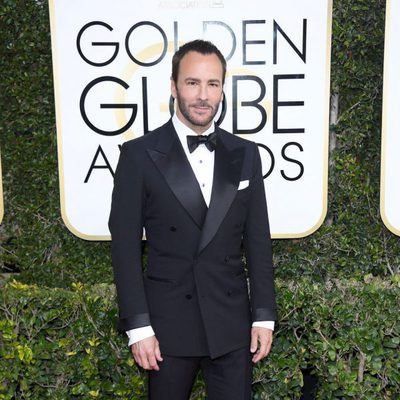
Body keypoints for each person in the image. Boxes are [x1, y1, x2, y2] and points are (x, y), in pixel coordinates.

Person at [109, 39, 277, 400]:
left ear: (222, 89)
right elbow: (123, 248)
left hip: (231, 325)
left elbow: (258, 241)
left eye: (212, 84)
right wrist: (138, 328)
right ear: (173, 87)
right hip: (166, 329)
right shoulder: (138, 156)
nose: (203, 95)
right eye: (192, 83)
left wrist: (263, 315)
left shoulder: (245, 154)